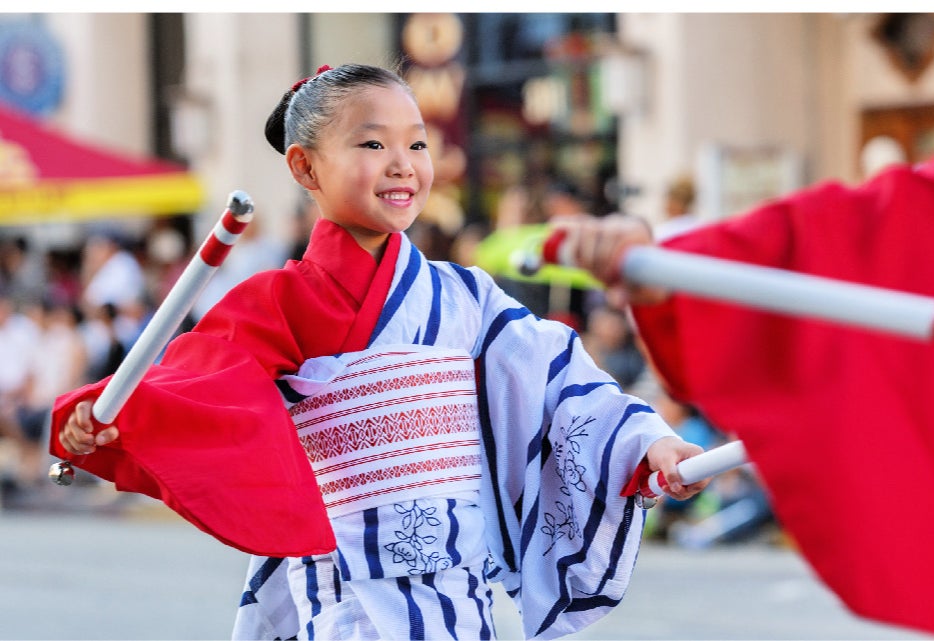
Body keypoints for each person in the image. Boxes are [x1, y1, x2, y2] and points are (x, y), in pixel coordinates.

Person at [51, 63, 708, 641]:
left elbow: (555, 376)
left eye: (417, 143)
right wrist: (113, 414)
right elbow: (197, 385)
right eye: (372, 143)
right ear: (305, 165)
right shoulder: (277, 300)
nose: (404, 164)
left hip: (456, 589)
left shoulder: (464, 294)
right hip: (345, 588)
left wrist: (644, 442)